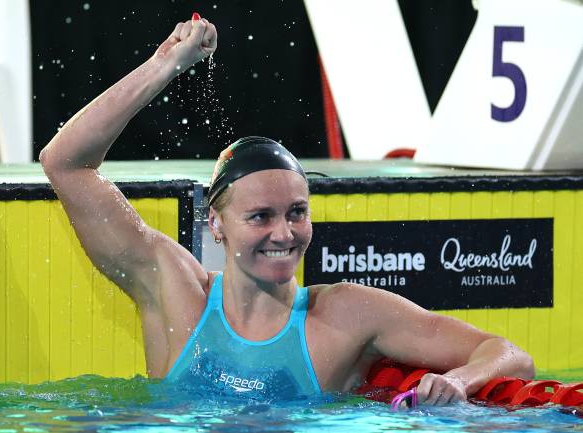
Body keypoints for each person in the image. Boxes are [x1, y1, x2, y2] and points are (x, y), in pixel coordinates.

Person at [40, 14, 534, 404]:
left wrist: (462, 380)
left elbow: (509, 356)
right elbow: (64, 163)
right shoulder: (173, 291)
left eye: (297, 212)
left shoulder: (346, 313)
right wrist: (164, 65)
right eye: (260, 216)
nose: (284, 232)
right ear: (216, 224)